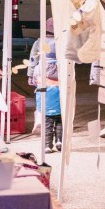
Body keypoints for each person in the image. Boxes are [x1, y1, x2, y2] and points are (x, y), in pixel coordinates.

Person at [28, 17, 62, 153]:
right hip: (58, 78)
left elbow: (33, 59)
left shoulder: (39, 42)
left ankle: (47, 144)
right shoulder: (60, 42)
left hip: (42, 78)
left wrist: (30, 75)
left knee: (46, 112)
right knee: (60, 113)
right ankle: (59, 140)